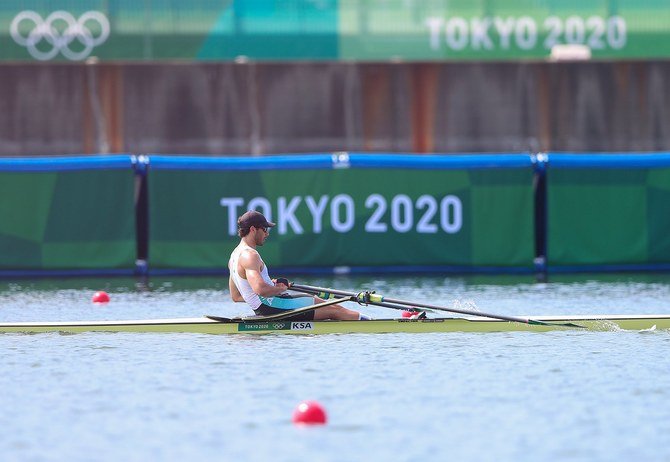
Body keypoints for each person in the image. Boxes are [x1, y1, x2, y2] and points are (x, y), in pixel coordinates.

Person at [228, 210, 369, 321]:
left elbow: (236, 296)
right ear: (253, 229)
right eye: (265, 229)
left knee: (331, 305)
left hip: (269, 306)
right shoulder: (249, 255)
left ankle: (361, 320)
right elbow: (259, 289)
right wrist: (278, 289)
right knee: (335, 310)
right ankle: (371, 325)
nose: (267, 233)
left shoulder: (234, 256)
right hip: (273, 306)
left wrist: (269, 285)